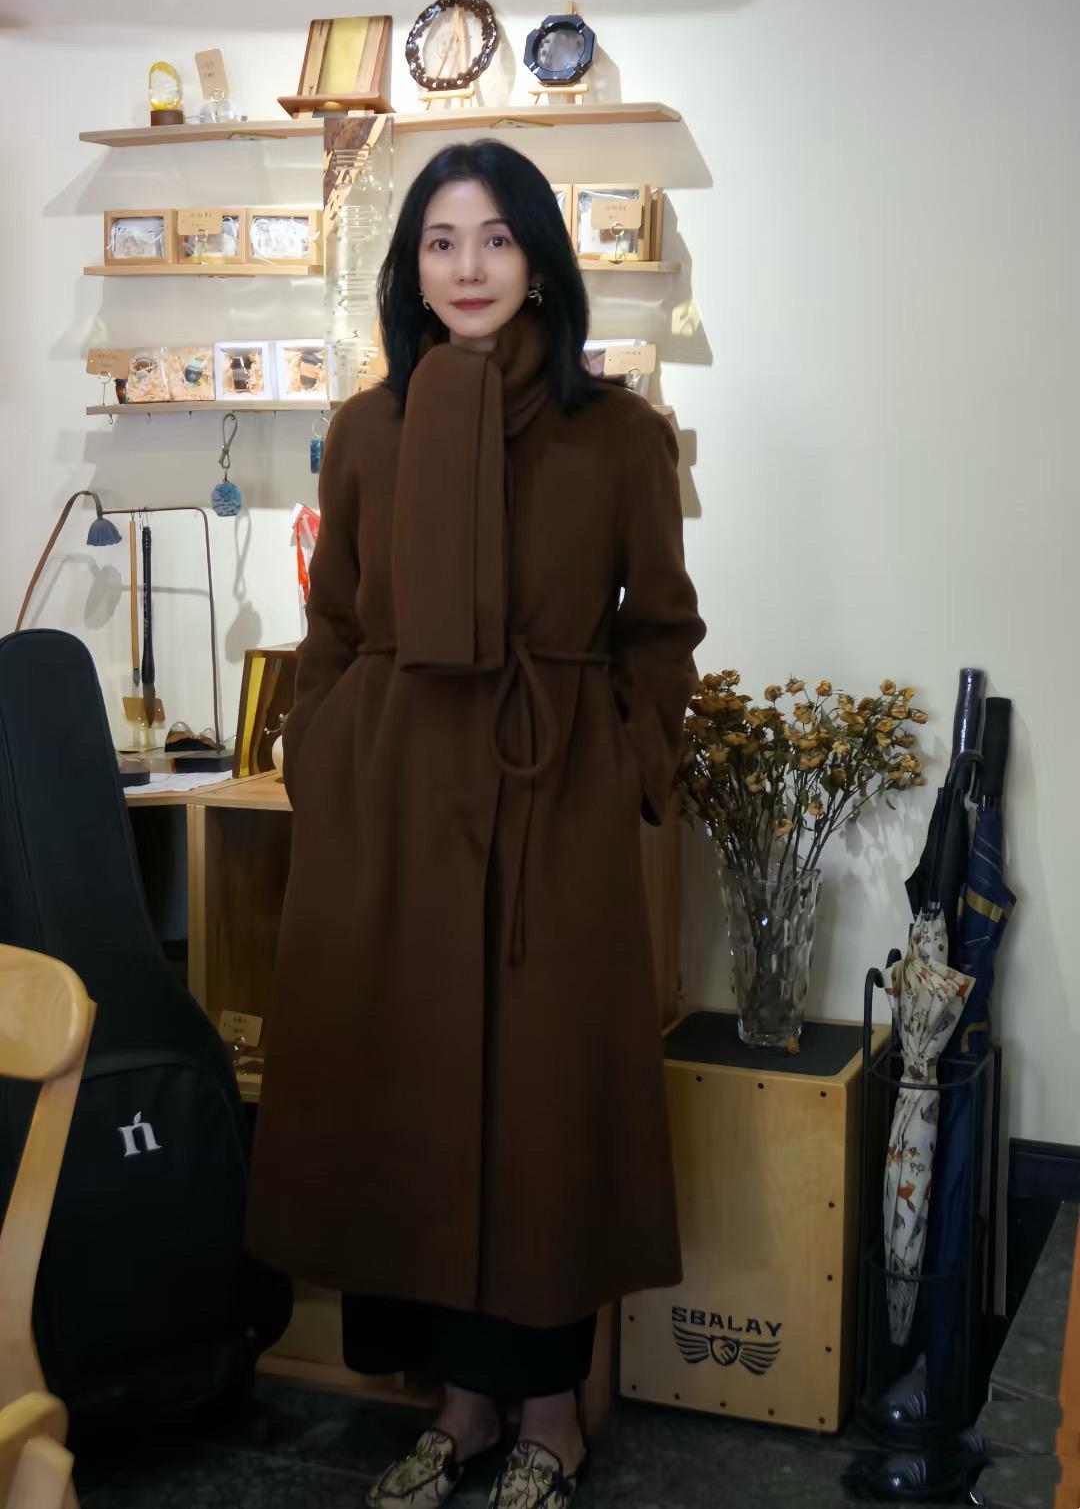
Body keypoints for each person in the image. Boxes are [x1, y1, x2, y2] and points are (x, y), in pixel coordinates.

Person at [247, 139, 705, 1509]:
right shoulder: (366, 430)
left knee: (541, 1120)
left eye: (496, 238)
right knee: (408, 1105)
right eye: (441, 241)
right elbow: (335, 624)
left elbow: (661, 631)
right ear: (411, 267)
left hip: (549, 809)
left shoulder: (618, 436)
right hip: (391, 816)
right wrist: (327, 752)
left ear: (540, 260)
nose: (468, 267)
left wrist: (622, 763)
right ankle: (458, 1405)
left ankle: (551, 1413)